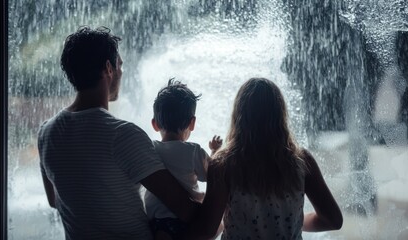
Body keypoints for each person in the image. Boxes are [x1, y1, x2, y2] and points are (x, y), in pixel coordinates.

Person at [37, 26, 199, 240]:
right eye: (120, 65)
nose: (122, 72)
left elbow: (54, 200)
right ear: (108, 68)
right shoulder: (123, 135)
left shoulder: (46, 133)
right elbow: (187, 212)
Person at [184, 78, 343, 239]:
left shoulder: (224, 164)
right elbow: (333, 221)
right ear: (280, 115)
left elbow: (207, 231)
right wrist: (296, 221)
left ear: (239, 116)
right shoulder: (301, 161)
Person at [144, 79, 223, 240]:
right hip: (185, 222)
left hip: (155, 222)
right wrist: (215, 151)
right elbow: (214, 174)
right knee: (220, 224)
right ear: (192, 123)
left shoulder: (149, 149)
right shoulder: (193, 151)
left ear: (154, 124)